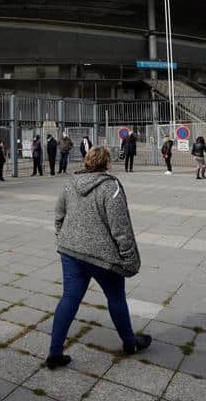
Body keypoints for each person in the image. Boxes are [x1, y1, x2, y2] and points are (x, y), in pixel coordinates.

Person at [48, 145, 151, 369]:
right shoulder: (110, 187)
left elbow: (58, 216)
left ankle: (54, 353)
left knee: (69, 298)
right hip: (103, 257)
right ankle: (129, 342)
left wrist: (64, 238)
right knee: (116, 298)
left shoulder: (70, 184)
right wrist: (128, 256)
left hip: (71, 252)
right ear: (107, 164)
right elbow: (120, 228)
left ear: (86, 162)